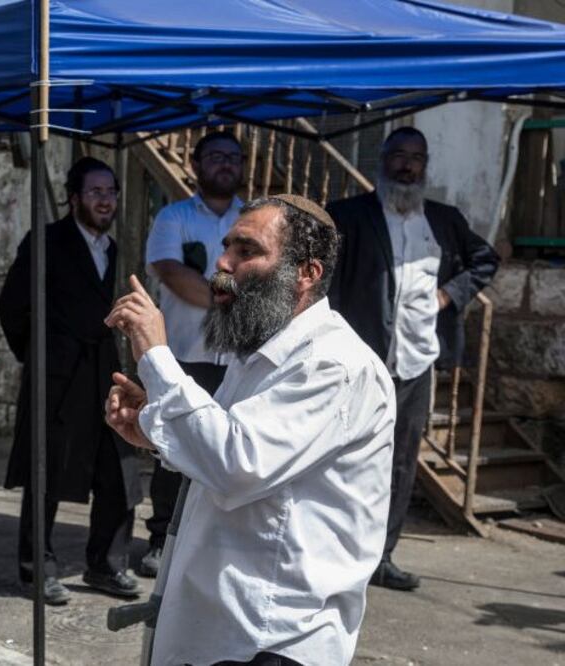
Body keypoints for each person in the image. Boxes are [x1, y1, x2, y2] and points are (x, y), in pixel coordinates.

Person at [105, 195, 395, 666]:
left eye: (247, 251)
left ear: (306, 273)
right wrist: (155, 430)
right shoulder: (260, 355)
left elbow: (237, 464)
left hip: (271, 638)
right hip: (223, 632)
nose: (222, 264)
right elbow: (223, 444)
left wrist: (157, 357)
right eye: (227, 248)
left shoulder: (334, 365)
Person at [326, 126, 499, 591]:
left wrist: (450, 293)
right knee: (342, 456)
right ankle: (335, 550)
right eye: (398, 155)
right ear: (382, 159)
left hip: (416, 363)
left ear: (425, 166)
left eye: (416, 158)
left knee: (400, 464)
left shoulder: (444, 220)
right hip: (359, 362)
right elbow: (326, 279)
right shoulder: (349, 216)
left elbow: (485, 260)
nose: (406, 165)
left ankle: (381, 557)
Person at [0, 156, 143, 606]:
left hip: (102, 370)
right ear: (74, 197)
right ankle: (37, 569)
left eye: (111, 191)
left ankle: (105, 564)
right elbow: (12, 305)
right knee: (47, 471)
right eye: (96, 192)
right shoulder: (46, 241)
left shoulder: (112, 248)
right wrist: (41, 356)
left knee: (119, 468)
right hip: (58, 377)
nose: (105, 200)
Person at [139, 130, 243, 577]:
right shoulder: (173, 217)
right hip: (185, 353)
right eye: (216, 156)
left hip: (237, 359)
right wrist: (231, 301)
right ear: (196, 165)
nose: (226, 164)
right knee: (173, 450)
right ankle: (161, 539)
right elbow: (172, 273)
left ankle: (214, 545)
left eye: (233, 157)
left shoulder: (252, 220)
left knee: (227, 453)